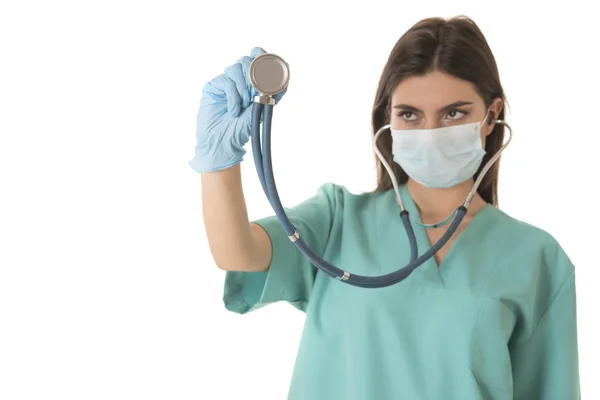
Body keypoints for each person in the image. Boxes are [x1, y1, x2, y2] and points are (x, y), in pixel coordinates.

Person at [189, 15, 581, 400]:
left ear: (491, 115)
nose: (431, 134)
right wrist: (218, 162)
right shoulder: (337, 220)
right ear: (387, 120)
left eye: (454, 113)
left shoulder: (536, 258)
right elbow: (236, 252)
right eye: (409, 114)